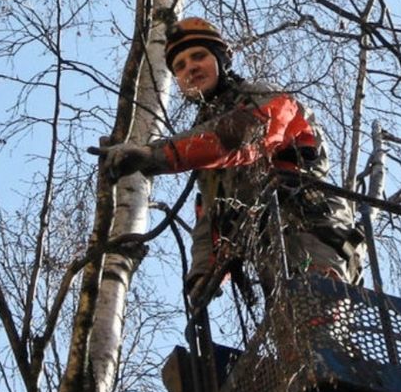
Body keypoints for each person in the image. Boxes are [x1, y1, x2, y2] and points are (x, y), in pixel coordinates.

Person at [89, 17, 363, 305]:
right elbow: (212, 216)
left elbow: (237, 139)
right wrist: (203, 273)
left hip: (312, 235)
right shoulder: (206, 158)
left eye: (198, 56)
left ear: (221, 60)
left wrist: (152, 155)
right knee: (292, 336)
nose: (190, 68)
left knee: (315, 317)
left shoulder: (266, 100)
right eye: (179, 66)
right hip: (272, 256)